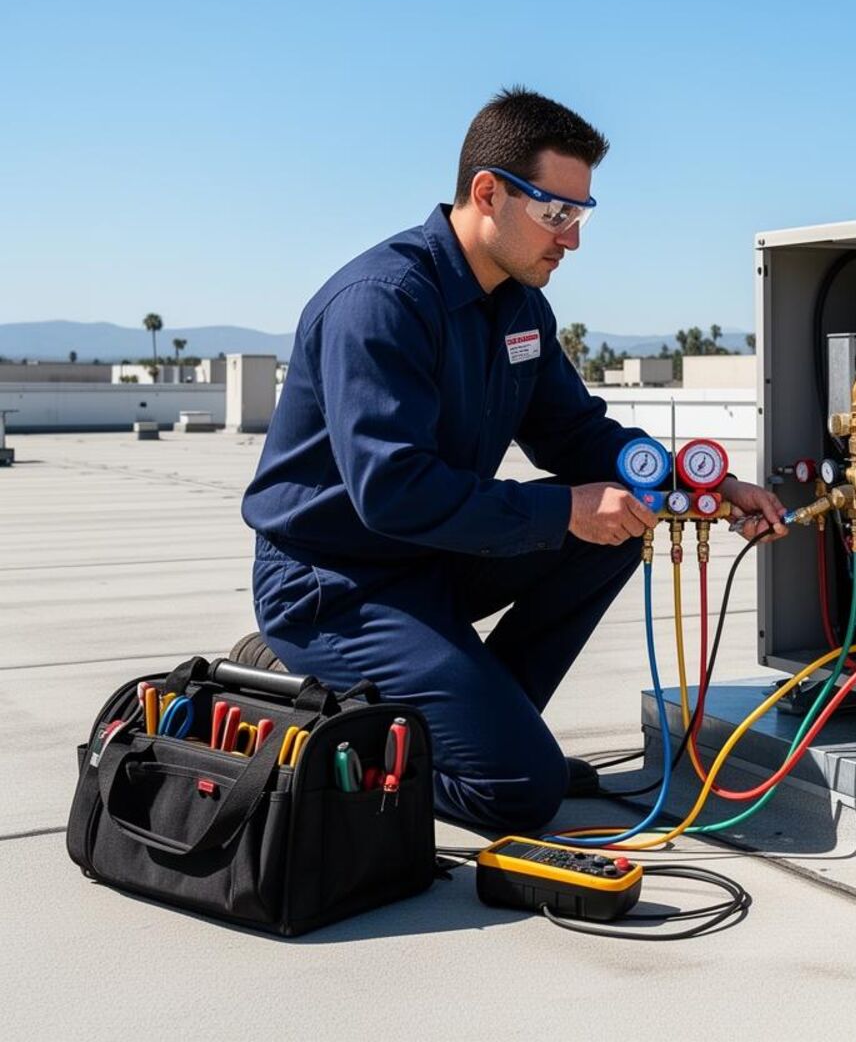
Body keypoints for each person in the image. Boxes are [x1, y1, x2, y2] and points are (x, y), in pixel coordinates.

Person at [241, 87, 785, 831]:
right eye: (556, 214)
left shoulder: (519, 305)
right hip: (337, 585)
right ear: (487, 193)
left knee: (618, 523)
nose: (572, 239)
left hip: (430, 562)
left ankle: (493, 732)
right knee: (517, 793)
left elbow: (576, 433)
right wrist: (565, 508)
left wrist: (705, 482)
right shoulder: (382, 303)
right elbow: (393, 491)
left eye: (581, 215)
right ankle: (308, 703)